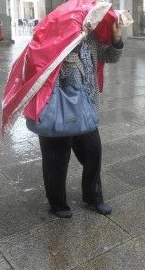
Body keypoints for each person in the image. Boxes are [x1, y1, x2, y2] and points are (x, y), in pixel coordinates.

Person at [38, 21, 124, 218]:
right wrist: (70, 52)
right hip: (58, 111)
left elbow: (110, 56)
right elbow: (44, 72)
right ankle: (58, 203)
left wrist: (116, 39)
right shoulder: (53, 39)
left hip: (85, 109)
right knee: (56, 159)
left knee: (93, 153)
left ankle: (93, 198)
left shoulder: (90, 38)